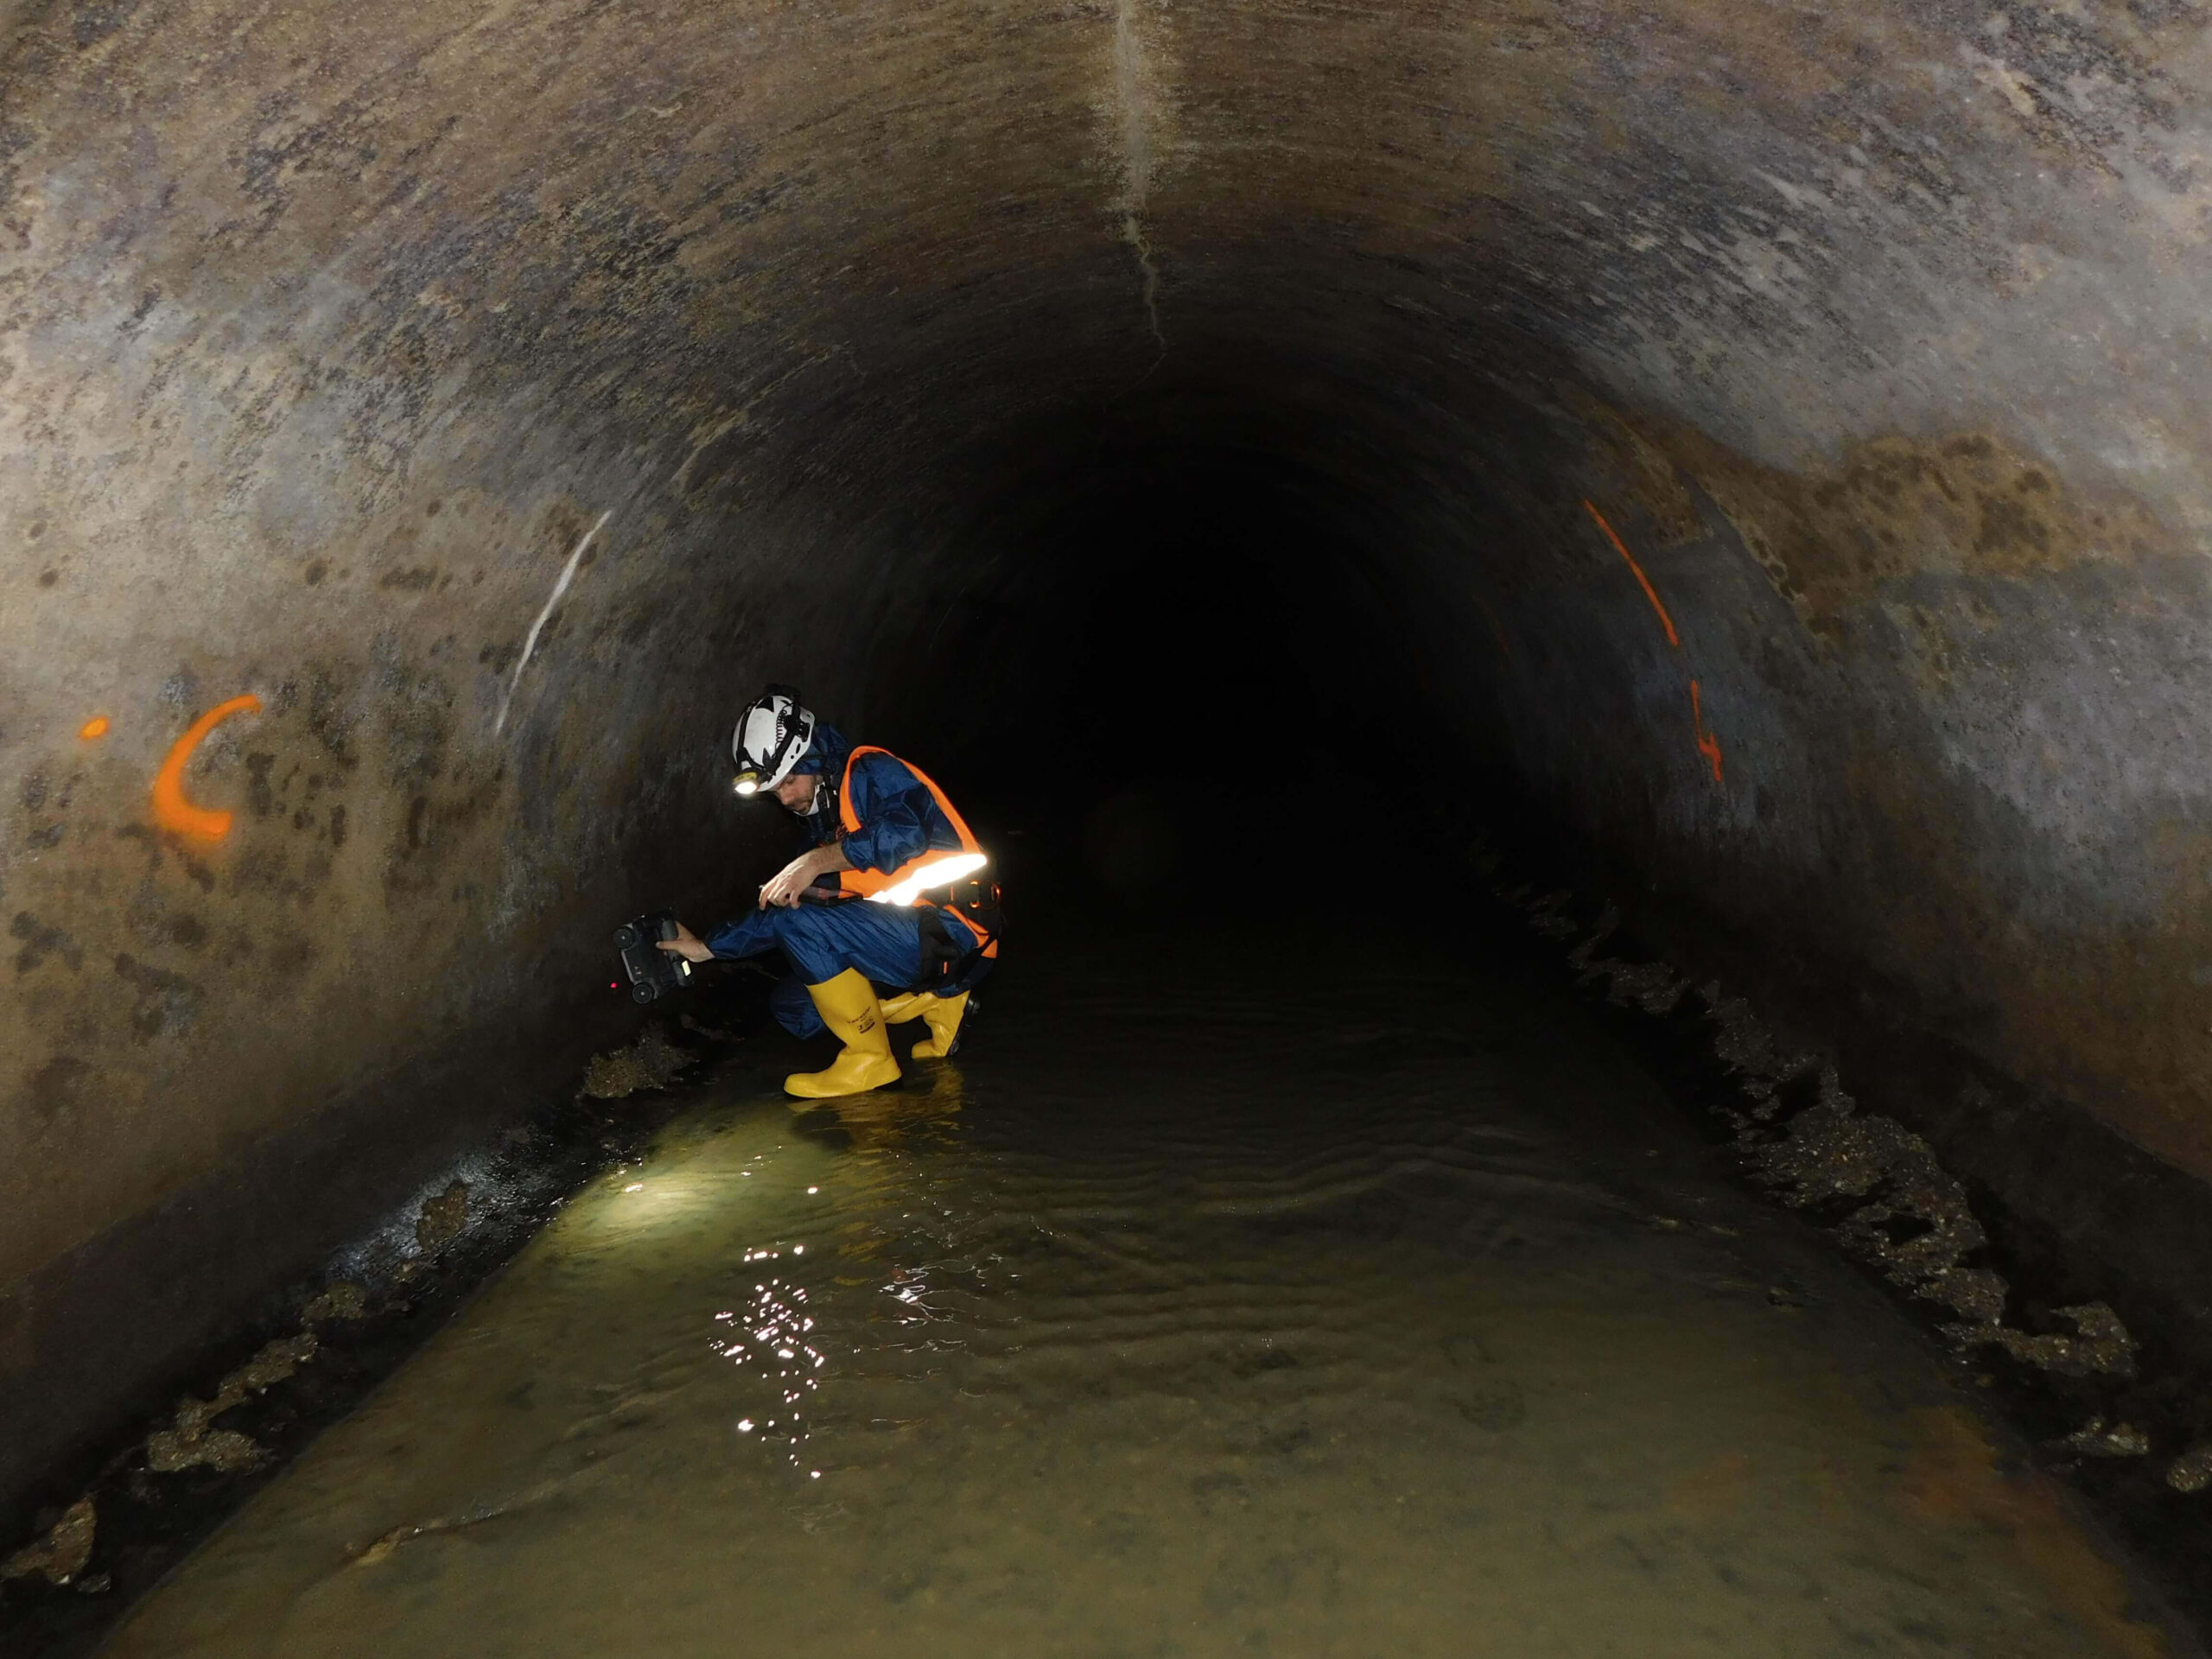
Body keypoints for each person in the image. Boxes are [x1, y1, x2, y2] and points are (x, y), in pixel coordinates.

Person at [658, 685, 998, 1097]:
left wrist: (815, 863)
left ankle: (871, 1061)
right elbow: (784, 905)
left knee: (801, 926)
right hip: (918, 942)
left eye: (790, 781)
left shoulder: (871, 770)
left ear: (813, 756)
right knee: (795, 1010)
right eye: (775, 791)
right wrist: (706, 948)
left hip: (957, 933)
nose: (787, 798)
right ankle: (939, 1002)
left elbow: (901, 835)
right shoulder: (825, 821)